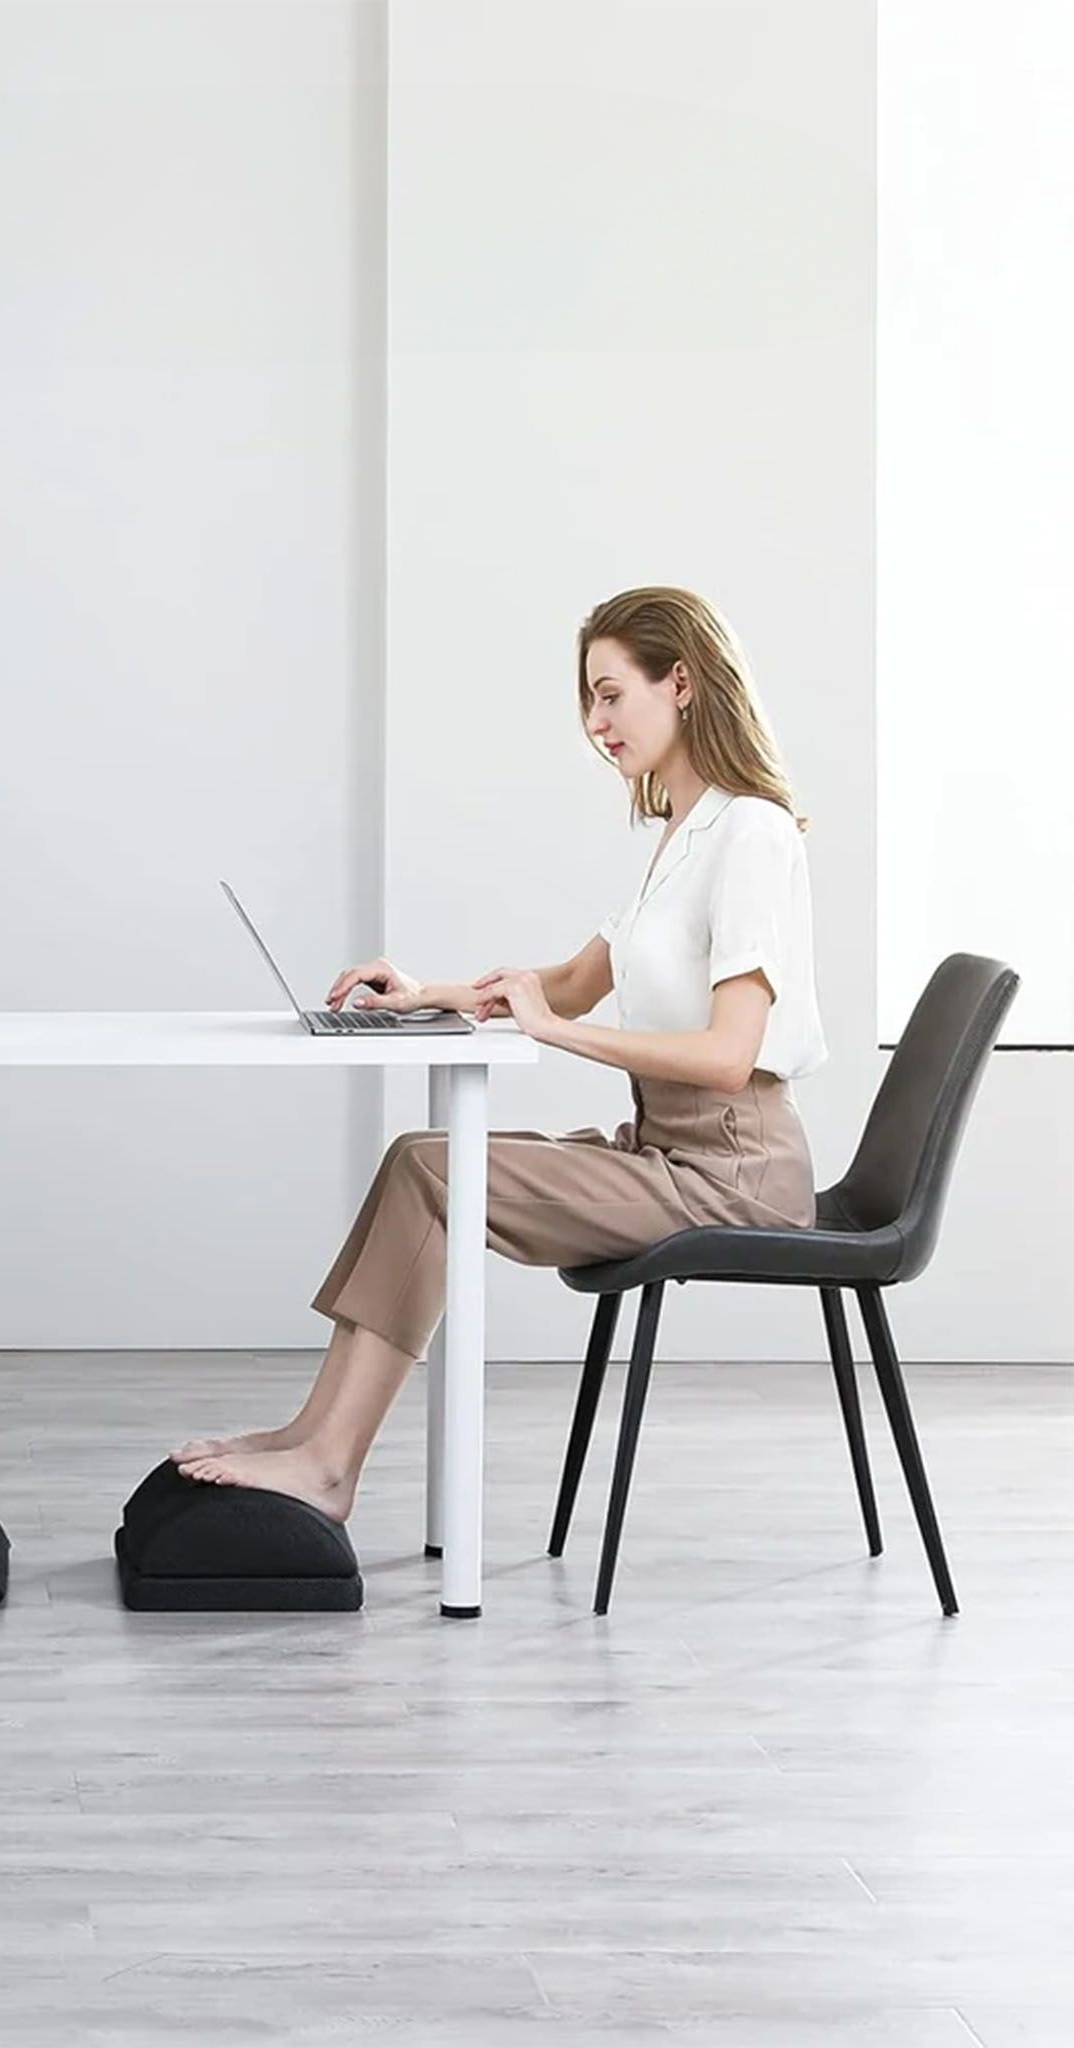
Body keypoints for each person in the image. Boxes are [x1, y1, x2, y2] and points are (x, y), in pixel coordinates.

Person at [174, 586, 826, 1521]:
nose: (596, 722)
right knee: (420, 1158)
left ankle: (329, 1466)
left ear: (680, 683)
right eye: (589, 701)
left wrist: (554, 1034)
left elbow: (731, 1055)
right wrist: (429, 992)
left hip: (735, 1173)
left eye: (611, 694)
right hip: (670, 1151)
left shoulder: (750, 832)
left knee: (438, 1174)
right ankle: (310, 1435)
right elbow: (572, 982)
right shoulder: (683, 836)